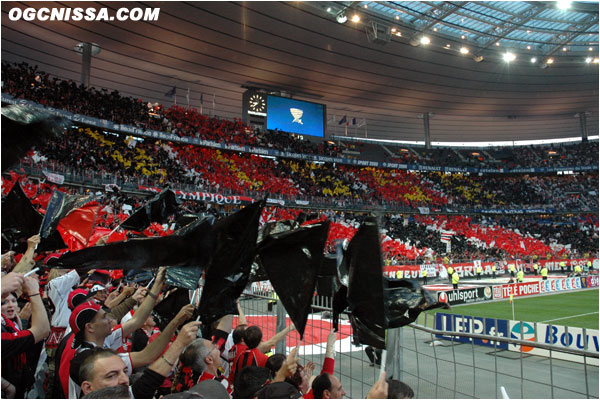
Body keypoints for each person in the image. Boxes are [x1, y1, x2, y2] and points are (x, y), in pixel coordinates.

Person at [1, 275, 50, 398]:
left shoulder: (13, 325)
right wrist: (33, 292)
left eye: (13, 301)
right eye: (3, 302)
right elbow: (42, 330)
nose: (10, 305)